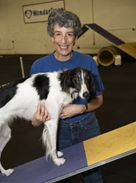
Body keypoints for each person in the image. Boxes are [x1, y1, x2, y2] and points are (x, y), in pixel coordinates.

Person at [30, 9, 104, 183]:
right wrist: (37, 120)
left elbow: (99, 100)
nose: (63, 41)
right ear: (51, 36)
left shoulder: (87, 62)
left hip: (87, 127)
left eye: (69, 34)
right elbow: (35, 117)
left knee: (93, 176)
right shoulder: (38, 67)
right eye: (58, 34)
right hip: (58, 132)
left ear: (76, 37)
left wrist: (81, 108)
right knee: (60, 177)